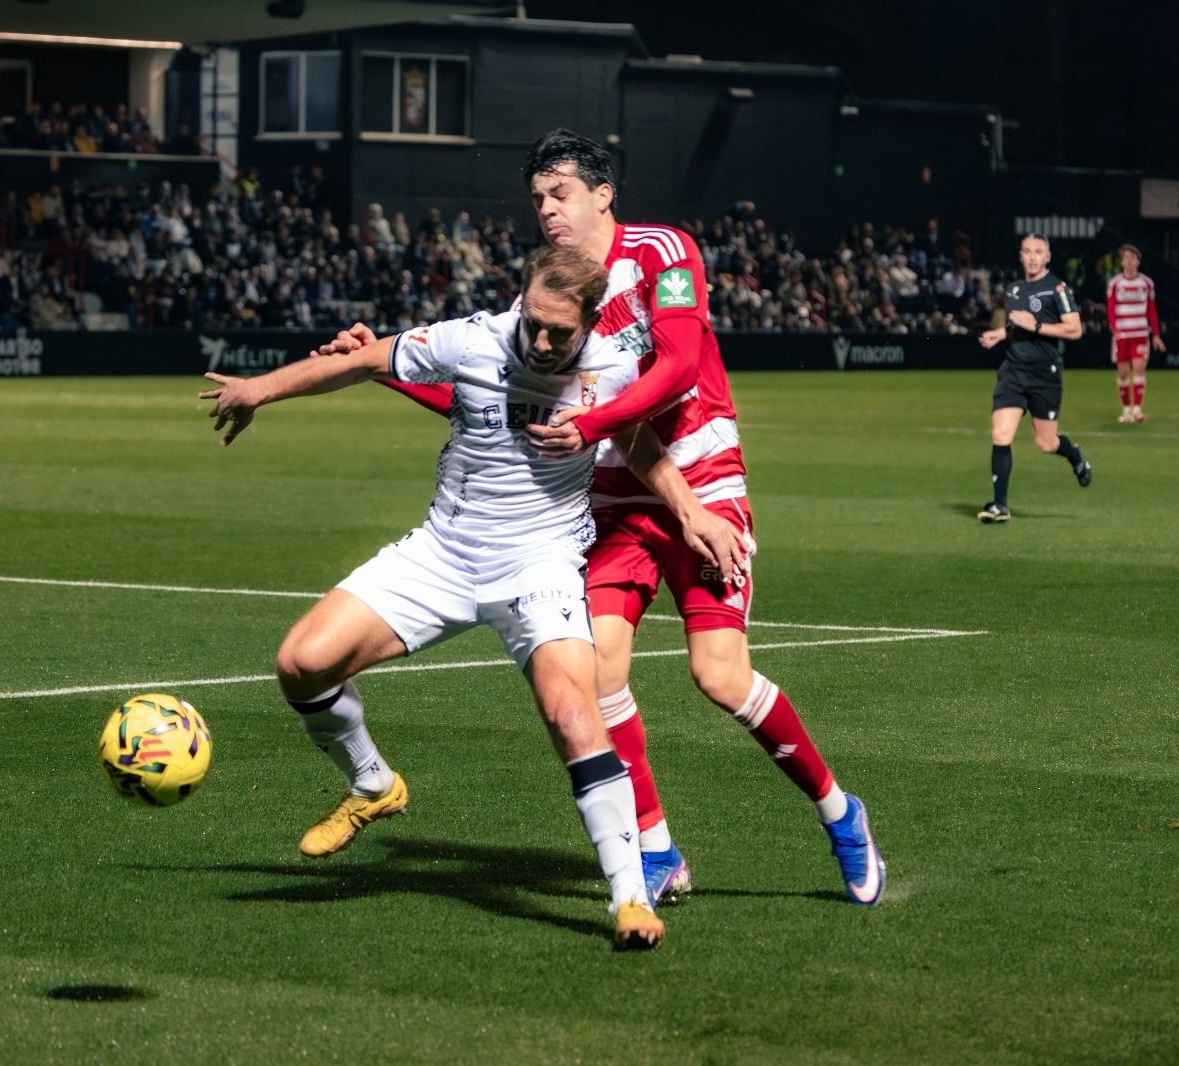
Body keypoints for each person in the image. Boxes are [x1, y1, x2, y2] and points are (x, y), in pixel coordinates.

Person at [314, 128, 887, 908]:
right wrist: (387, 375)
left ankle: (839, 812)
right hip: (614, 504)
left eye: (561, 193)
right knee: (602, 672)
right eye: (538, 198)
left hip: (703, 481)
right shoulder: (541, 300)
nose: (547, 210)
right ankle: (655, 849)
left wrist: (590, 424)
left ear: (602, 194)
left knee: (720, 678)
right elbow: (496, 402)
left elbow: (681, 367)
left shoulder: (663, 252)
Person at [198, 246, 728, 950]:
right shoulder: (470, 337)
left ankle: (630, 898)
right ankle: (372, 785)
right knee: (300, 663)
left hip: (540, 567)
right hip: (443, 554)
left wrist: (689, 510)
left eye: (559, 333)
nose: (541, 341)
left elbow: (635, 441)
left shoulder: (612, 368)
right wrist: (261, 388)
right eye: (534, 322)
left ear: (591, 323)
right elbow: (362, 360)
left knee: (574, 715)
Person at [976, 233, 1091, 523]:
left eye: (1038, 251)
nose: (1032, 256)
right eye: (1027, 251)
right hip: (1013, 371)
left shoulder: (1058, 289)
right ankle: (999, 506)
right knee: (1001, 435)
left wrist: (1038, 324)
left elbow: (1075, 331)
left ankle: (1074, 455)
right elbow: (1019, 328)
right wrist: (1000, 334)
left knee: (1046, 443)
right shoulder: (1014, 289)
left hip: (1044, 375)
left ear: (1047, 256)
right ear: (1021, 255)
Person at [1105, 243, 1165, 423]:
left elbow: (1152, 310)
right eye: (1126, 258)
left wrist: (1155, 334)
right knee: (1123, 373)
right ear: (1121, 262)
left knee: (1139, 369)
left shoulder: (1147, 283)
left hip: (1140, 333)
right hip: (1122, 335)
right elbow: (1111, 309)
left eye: (1133, 258)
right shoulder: (1115, 284)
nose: (1130, 261)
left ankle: (1137, 410)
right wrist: (1115, 329)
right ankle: (1126, 410)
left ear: (1138, 262)